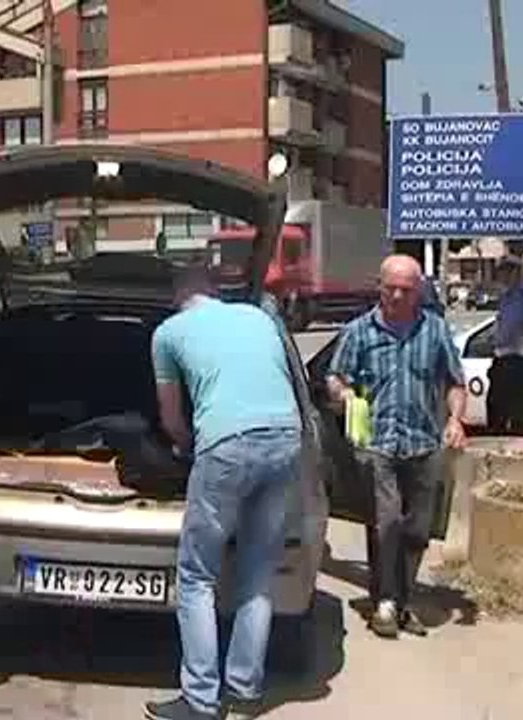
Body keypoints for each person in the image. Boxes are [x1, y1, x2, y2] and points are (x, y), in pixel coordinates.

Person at [145, 267, 302, 720]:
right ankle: (245, 689)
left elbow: (171, 416)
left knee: (196, 577)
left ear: (178, 298)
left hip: (227, 445)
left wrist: (185, 447)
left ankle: (199, 700)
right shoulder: (258, 317)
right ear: (215, 293)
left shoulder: (168, 333)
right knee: (257, 571)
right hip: (286, 437)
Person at [327, 254, 466, 640]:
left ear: (418, 290)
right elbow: (336, 377)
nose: (399, 296)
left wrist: (455, 420)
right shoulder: (358, 332)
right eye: (392, 288)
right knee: (386, 522)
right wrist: (344, 395)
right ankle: (386, 601)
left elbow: (454, 381)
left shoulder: (435, 331)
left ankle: (398, 601)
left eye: (407, 289)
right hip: (377, 443)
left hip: (424, 443)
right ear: (380, 286)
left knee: (417, 530)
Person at [487, 255, 523, 435]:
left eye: (505, 271)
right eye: (501, 272)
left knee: (519, 415)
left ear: (515, 273)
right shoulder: (505, 297)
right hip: (501, 359)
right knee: (496, 411)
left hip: (519, 359)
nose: (502, 277)